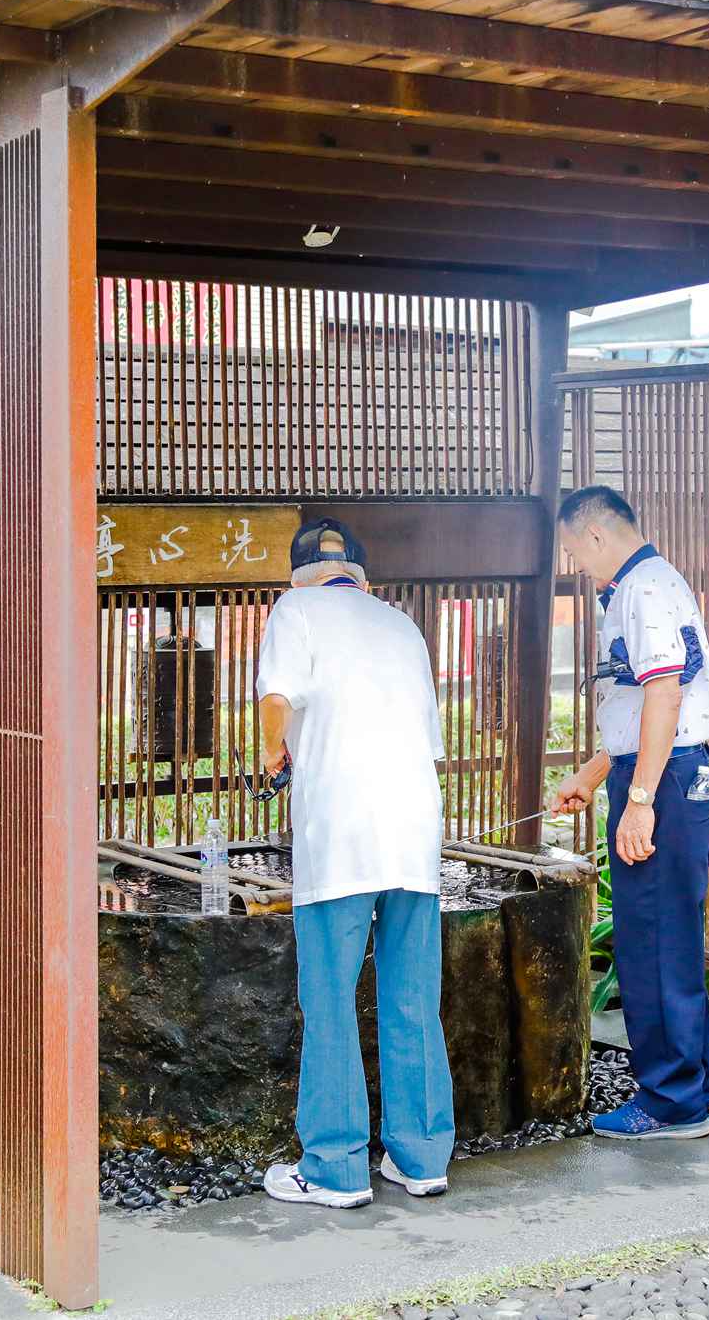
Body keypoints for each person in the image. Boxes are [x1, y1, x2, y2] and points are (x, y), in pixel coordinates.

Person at [256, 517, 456, 1209]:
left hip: (340, 834)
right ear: (361, 579)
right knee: (411, 996)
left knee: (332, 999)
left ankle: (336, 1166)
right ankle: (423, 1155)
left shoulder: (295, 609)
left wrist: (272, 754)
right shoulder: (402, 627)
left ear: (301, 577)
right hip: (412, 834)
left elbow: (276, 699)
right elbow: (427, 740)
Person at [548, 486, 709, 1141]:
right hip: (668, 771)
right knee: (670, 938)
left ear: (596, 536)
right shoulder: (647, 584)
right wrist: (595, 774)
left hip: (667, 779)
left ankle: (671, 1102)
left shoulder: (642, 590)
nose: (576, 563)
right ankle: (703, 1087)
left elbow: (663, 694)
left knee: (651, 942)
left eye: (574, 550)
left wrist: (641, 800)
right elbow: (640, 708)